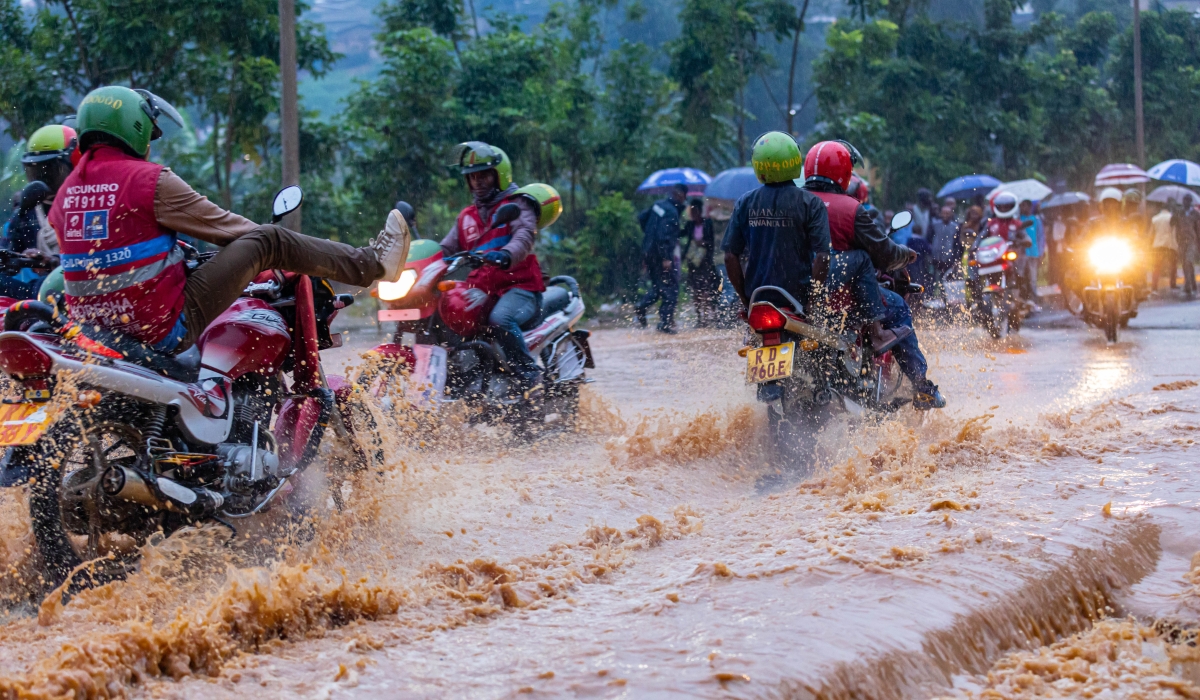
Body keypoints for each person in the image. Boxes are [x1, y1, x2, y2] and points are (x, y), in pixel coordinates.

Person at [47, 86, 410, 356]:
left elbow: (109, 249)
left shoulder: (65, 194)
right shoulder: (149, 180)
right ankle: (372, 264)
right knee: (270, 240)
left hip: (91, 328)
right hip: (156, 328)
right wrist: (283, 261)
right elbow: (230, 231)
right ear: (135, 128)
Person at [801, 139, 944, 409]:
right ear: (845, 173)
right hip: (840, 299)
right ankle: (922, 387)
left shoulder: (794, 203)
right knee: (899, 306)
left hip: (794, 298)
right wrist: (906, 256)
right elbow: (885, 253)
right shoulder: (850, 209)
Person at [439, 141, 545, 390]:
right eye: (472, 176)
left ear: (500, 175)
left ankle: (530, 377)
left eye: (484, 175)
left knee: (500, 319)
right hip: (483, 288)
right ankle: (464, 378)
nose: (478, 182)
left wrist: (507, 254)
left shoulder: (518, 205)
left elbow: (524, 236)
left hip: (520, 288)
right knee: (447, 310)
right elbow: (445, 249)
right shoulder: (467, 216)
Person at [722, 131, 829, 320]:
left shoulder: (745, 202)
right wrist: (812, 302)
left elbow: (730, 256)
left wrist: (746, 300)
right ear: (795, 161)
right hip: (798, 300)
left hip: (758, 299)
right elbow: (823, 256)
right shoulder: (811, 203)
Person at [1, 124, 76, 298]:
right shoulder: (27, 209)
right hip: (34, 293)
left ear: (73, 165)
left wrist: (51, 261)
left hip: (72, 286)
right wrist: (19, 258)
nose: (42, 180)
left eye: (51, 171)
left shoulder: (82, 204)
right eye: (36, 172)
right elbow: (6, 253)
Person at [635, 182, 686, 333]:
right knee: (671, 289)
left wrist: (649, 237)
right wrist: (666, 258)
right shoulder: (671, 212)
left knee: (659, 286)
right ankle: (665, 322)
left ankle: (642, 306)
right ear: (680, 195)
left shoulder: (658, 205)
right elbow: (664, 236)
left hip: (649, 252)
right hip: (661, 255)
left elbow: (641, 218)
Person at [682, 198, 720, 328]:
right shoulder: (690, 225)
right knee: (696, 291)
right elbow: (682, 236)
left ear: (699, 211)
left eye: (694, 211)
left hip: (706, 262)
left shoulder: (708, 223)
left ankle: (712, 316)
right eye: (691, 212)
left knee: (708, 290)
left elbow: (712, 242)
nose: (692, 214)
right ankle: (700, 318)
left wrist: (703, 243)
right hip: (693, 263)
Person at [1016, 199, 1043, 305]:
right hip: (1021, 254)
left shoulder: (1036, 220)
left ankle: (1034, 301)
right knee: (1021, 277)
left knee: (1032, 278)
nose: (1023, 208)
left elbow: (1040, 237)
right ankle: (1022, 300)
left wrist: (1040, 252)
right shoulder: (1019, 220)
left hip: (1033, 252)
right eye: (1021, 206)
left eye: (1025, 206)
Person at [1172, 195, 1198, 298]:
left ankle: (1188, 286)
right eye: (1184, 200)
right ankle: (1192, 284)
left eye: (1187, 200)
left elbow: (1197, 228)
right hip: (1181, 241)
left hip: (1191, 241)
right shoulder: (1179, 212)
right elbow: (1172, 223)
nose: (1185, 202)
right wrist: (1174, 211)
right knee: (1184, 263)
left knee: (1189, 261)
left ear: (1190, 202)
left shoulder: (1195, 214)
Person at [1150, 201, 1178, 293]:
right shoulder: (1172, 218)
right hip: (1170, 245)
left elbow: (1151, 233)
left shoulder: (1155, 219)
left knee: (1156, 267)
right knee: (1173, 266)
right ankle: (1173, 284)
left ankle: (1154, 286)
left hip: (1158, 245)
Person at [929, 204, 961, 278]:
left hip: (948, 255)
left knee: (947, 277)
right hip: (935, 255)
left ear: (951, 214)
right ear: (940, 214)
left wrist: (956, 257)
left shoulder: (955, 226)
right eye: (944, 213)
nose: (945, 215)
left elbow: (957, 243)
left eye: (948, 213)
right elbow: (929, 239)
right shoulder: (934, 225)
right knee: (933, 277)